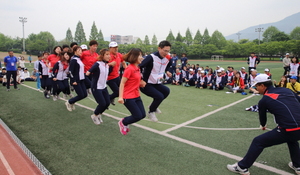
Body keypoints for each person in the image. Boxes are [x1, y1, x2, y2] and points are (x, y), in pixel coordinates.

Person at [227, 74, 300, 175]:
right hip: (296, 129)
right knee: (292, 140)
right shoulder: (286, 90)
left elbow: (262, 118)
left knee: (258, 141)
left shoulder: (264, 99)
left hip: (289, 129)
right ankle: (298, 165)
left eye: (256, 86)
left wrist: (263, 125)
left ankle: (242, 167)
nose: (256, 89)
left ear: (262, 86)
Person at [139, 40, 172, 122]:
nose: (166, 53)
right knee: (159, 96)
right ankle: (151, 112)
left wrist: (167, 71)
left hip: (157, 82)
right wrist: (140, 80)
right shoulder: (151, 57)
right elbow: (139, 67)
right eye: (165, 51)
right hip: (146, 84)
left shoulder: (167, 58)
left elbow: (168, 66)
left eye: (168, 51)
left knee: (166, 91)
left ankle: (153, 106)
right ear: (159, 48)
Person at [118, 48, 146, 135]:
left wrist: (141, 83)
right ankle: (123, 122)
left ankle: (126, 123)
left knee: (142, 115)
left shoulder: (137, 68)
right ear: (135, 57)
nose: (142, 58)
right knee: (137, 115)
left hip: (136, 95)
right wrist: (120, 97)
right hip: (128, 96)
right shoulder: (129, 69)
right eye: (140, 55)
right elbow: (122, 83)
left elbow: (136, 80)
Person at [86, 49, 110, 125]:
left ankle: (99, 114)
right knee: (102, 104)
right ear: (102, 56)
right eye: (106, 54)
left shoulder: (107, 65)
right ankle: (94, 115)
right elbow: (87, 73)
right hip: (96, 87)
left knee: (107, 103)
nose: (108, 56)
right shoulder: (97, 64)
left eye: (109, 54)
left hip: (104, 87)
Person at [65, 46, 87, 111]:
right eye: (79, 50)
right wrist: (73, 80)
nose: (81, 51)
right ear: (75, 51)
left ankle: (72, 102)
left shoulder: (78, 59)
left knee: (85, 94)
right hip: (76, 80)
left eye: (81, 50)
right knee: (80, 95)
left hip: (81, 79)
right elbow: (70, 71)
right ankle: (69, 102)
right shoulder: (74, 60)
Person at [107, 41, 127, 105]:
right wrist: (110, 64)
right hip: (109, 78)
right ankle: (108, 98)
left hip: (117, 76)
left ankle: (111, 98)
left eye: (116, 47)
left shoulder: (119, 55)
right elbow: (102, 65)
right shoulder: (107, 55)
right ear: (110, 48)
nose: (115, 49)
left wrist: (128, 72)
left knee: (123, 89)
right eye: (113, 47)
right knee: (118, 92)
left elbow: (124, 64)